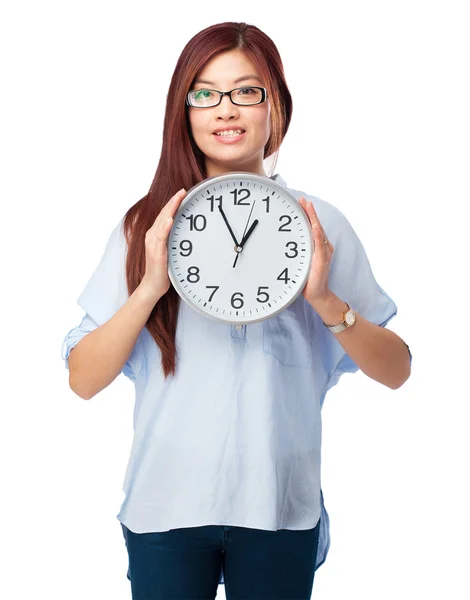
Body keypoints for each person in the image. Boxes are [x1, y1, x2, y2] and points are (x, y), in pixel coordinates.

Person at [62, 21, 412, 600]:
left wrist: (325, 300)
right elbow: (82, 379)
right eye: (205, 93)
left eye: (247, 91)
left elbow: (397, 370)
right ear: (184, 110)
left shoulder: (318, 225)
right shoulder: (144, 227)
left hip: (277, 506)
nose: (226, 109)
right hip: (167, 503)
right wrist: (150, 287)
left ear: (276, 105)